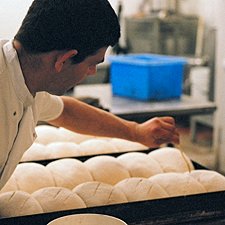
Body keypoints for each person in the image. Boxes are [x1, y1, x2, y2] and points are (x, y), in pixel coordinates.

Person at [0, 0, 179, 190]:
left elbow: (65, 111)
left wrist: (136, 132)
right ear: (64, 60)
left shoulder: (28, 79)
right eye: (92, 64)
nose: (92, 72)